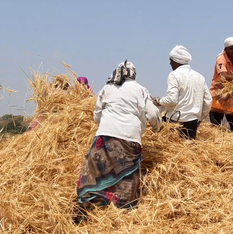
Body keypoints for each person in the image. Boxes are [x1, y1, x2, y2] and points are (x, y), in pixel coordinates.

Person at [74, 60, 162, 223]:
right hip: (130, 138)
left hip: (105, 135)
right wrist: (158, 128)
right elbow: (153, 115)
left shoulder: (107, 88)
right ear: (134, 75)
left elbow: (97, 116)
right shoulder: (140, 90)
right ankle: (123, 213)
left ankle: (85, 206)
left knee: (94, 171)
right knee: (126, 176)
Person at [153, 45, 212, 140]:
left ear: (176, 61)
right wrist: (199, 118)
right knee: (188, 151)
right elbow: (208, 101)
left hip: (175, 122)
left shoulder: (174, 75)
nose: (170, 63)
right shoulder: (199, 77)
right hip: (192, 122)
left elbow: (172, 100)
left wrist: (158, 101)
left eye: (171, 60)